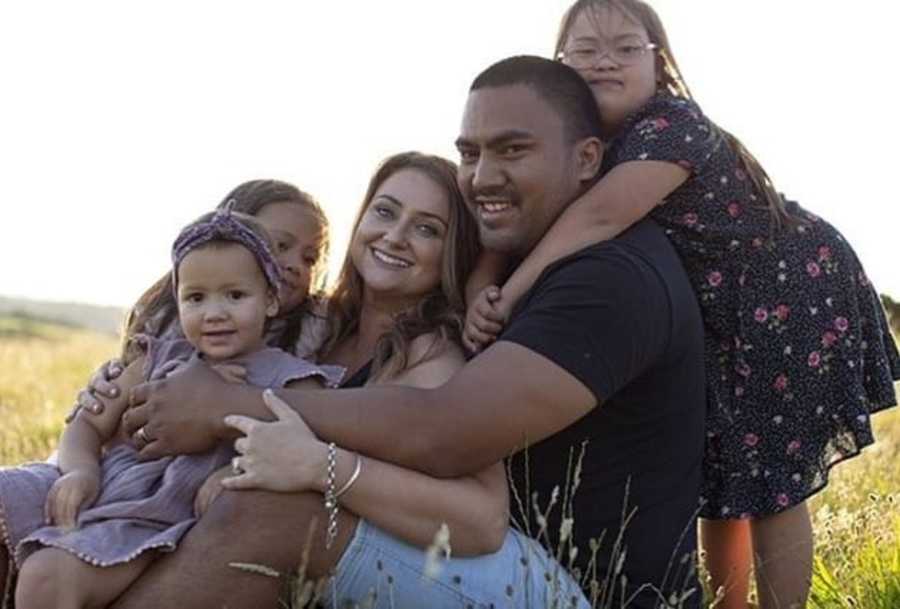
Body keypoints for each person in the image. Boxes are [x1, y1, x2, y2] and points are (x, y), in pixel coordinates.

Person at [113, 56, 706, 609]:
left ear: (585, 159)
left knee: (277, 511)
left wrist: (234, 409)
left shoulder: (609, 280)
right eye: (470, 153)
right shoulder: (334, 320)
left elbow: (446, 432)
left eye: (513, 150)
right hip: (473, 555)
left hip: (583, 589)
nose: (483, 176)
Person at [462, 2, 900, 608]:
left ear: (658, 61)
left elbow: (599, 214)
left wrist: (508, 295)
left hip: (789, 288)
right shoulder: (591, 141)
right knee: (722, 475)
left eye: (624, 48)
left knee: (773, 482)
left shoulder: (671, 126)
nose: (604, 61)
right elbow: (518, 213)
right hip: (725, 311)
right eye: (584, 51)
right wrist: (479, 279)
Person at [0, 208, 343, 609]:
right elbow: (87, 424)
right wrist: (80, 470)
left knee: (46, 578)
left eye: (235, 295)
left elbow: (307, 449)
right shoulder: (158, 358)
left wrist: (236, 471)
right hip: (101, 492)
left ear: (269, 300)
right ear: (178, 300)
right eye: (196, 298)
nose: (214, 313)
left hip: (155, 516)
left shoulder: (292, 380)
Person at [73, 179, 332, 421]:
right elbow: (116, 411)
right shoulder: (174, 327)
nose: (296, 266)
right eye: (280, 246)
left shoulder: (311, 331)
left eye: (309, 258)